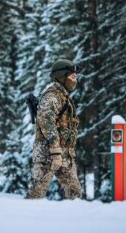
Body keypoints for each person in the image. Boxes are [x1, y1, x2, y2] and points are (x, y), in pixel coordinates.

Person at [26, 59, 82, 199]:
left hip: (64, 153)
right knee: (36, 193)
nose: (75, 80)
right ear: (61, 76)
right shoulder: (52, 96)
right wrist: (55, 150)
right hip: (48, 152)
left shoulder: (63, 96)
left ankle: (75, 220)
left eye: (76, 77)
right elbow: (46, 122)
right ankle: (22, 218)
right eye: (72, 76)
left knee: (75, 194)